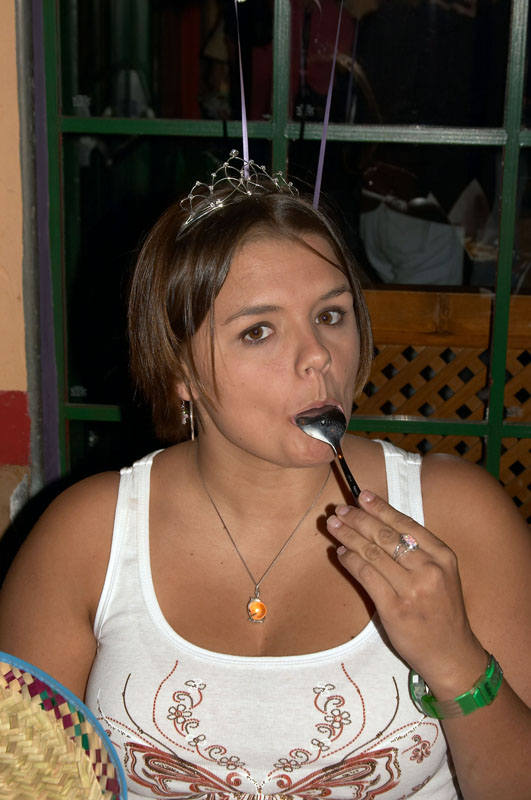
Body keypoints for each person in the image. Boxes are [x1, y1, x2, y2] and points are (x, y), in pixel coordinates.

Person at [0, 152, 530, 800]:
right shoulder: (84, 537)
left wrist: (456, 661)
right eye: (258, 331)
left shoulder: (458, 517)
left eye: (330, 316)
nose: (318, 357)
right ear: (179, 369)